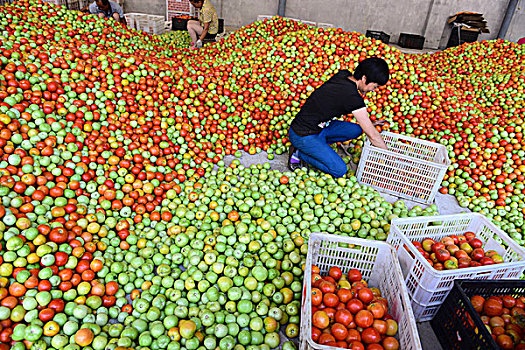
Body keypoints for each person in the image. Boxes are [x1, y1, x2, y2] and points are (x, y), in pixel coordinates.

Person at [287, 57, 390, 178]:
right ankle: (299, 153)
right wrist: (389, 157)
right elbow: (372, 135)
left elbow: (334, 98)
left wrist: (370, 124)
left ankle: (318, 146)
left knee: (357, 129)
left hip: (320, 126)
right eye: (375, 86)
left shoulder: (344, 75)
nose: (373, 90)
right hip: (302, 134)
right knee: (339, 170)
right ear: (364, 78)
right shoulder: (351, 97)